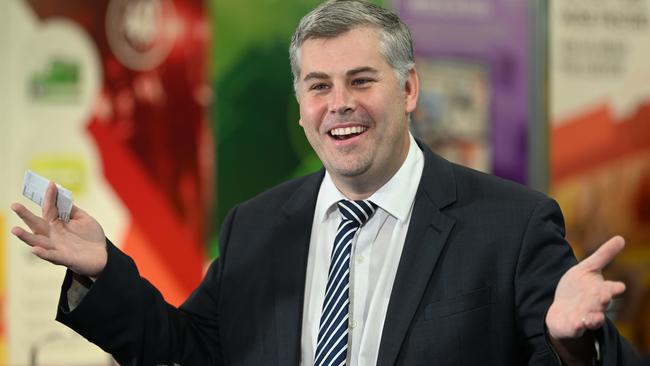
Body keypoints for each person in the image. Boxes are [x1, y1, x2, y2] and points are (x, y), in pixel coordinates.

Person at [10, 0, 641, 365]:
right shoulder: (255, 225)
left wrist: (571, 344)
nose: (339, 104)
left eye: (362, 81)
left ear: (409, 88)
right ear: (299, 102)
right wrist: (102, 269)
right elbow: (188, 349)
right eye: (319, 86)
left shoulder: (513, 224)